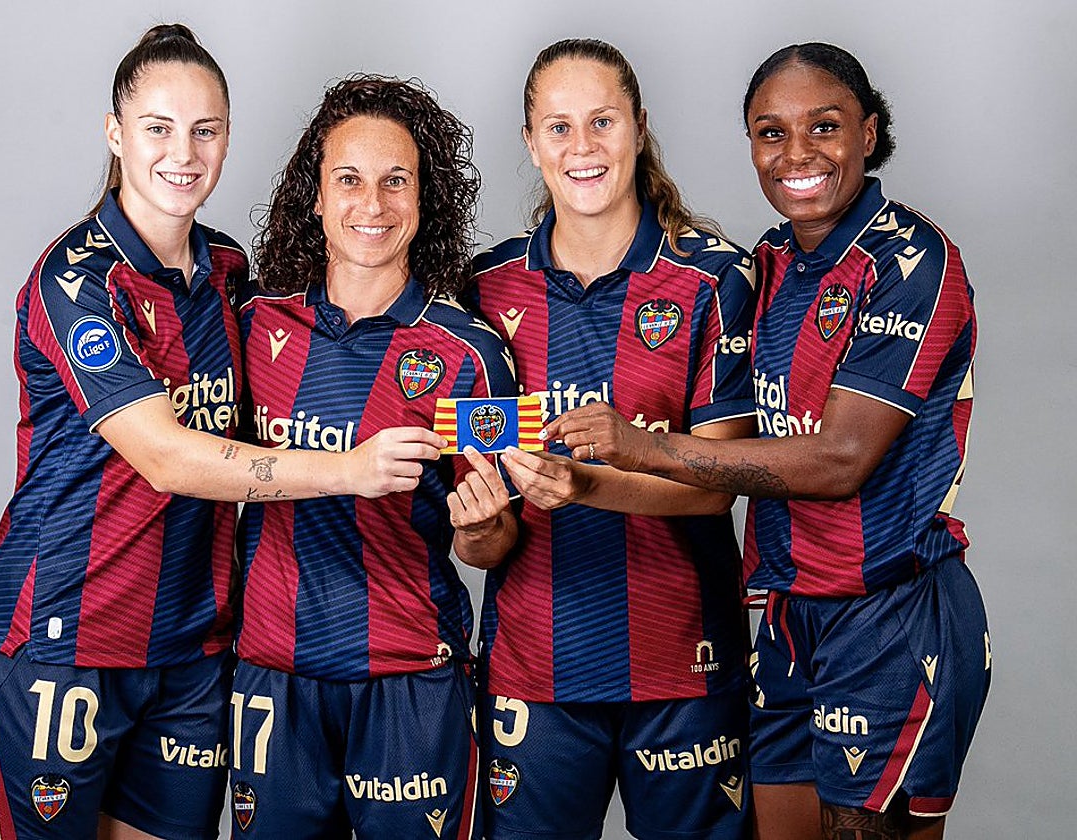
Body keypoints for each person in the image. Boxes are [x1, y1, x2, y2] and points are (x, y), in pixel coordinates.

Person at [0, 27, 443, 840]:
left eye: (204, 130)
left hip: (191, 650)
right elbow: (167, 456)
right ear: (116, 133)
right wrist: (347, 470)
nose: (182, 153)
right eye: (157, 127)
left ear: (226, 139)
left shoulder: (228, 274)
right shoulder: (74, 281)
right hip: (63, 635)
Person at [546, 42, 990, 840]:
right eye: (770, 132)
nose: (797, 154)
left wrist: (645, 446)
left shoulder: (912, 260)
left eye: (824, 126)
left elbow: (839, 460)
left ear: (868, 133)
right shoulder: (770, 264)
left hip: (890, 609)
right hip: (786, 614)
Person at [467, 39, 757, 840]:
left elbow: (719, 483)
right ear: (530, 142)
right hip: (533, 667)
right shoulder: (484, 290)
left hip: (685, 667)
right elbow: (482, 536)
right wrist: (479, 526)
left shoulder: (713, 280)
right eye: (558, 127)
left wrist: (591, 480)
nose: (583, 146)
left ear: (639, 127)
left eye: (602, 121)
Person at [228, 75, 516, 840]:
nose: (373, 204)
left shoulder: (469, 353)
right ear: (314, 196)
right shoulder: (255, 324)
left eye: (397, 181)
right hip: (271, 672)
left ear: (425, 201)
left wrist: (479, 526)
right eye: (348, 180)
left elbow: (492, 541)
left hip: (409, 676)